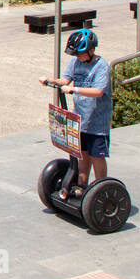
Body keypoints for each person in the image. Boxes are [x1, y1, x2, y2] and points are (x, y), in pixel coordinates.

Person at [40, 28, 111, 199]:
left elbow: (99, 91)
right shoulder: (75, 62)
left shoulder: (101, 66)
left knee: (97, 156)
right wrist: (51, 81)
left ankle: (101, 189)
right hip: (79, 119)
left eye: (80, 54)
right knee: (82, 154)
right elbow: (65, 80)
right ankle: (81, 186)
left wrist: (74, 90)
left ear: (91, 50)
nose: (77, 57)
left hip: (97, 123)